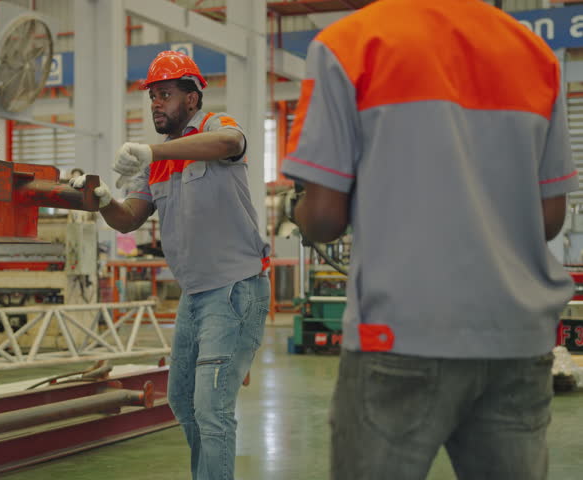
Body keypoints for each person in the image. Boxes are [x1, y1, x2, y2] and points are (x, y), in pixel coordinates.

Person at [281, 1, 579, 479]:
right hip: (515, 339)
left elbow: (323, 218)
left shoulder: (347, 46)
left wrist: (293, 208)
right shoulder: (535, 53)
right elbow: (548, 218)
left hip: (400, 333)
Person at [71, 50, 270, 479]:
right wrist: (103, 198)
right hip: (195, 296)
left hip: (235, 290)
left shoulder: (217, 127)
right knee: (182, 399)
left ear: (192, 99)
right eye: (152, 97)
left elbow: (232, 144)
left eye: (165, 94)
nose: (156, 104)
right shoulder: (156, 163)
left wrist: (150, 150)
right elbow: (129, 217)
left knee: (212, 408)